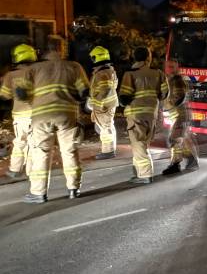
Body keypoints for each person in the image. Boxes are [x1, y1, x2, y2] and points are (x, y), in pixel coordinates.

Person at [18, 39, 89, 203]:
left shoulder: (33, 69)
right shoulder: (74, 66)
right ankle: (74, 189)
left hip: (41, 116)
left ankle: (39, 193)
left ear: (44, 51)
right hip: (67, 114)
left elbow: (21, 94)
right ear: (61, 49)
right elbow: (84, 92)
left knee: (41, 153)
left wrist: (33, 101)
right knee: (69, 151)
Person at [118, 46, 168, 184]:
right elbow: (164, 94)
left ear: (135, 58)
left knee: (138, 144)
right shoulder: (158, 73)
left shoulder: (130, 74)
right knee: (142, 144)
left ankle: (145, 175)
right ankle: (138, 173)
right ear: (148, 58)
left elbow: (124, 98)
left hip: (136, 114)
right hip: (152, 114)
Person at [0, 44, 37, 179]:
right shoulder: (38, 72)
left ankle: (15, 169)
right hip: (39, 113)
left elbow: (4, 96)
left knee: (20, 142)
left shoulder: (11, 75)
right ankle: (32, 171)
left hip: (21, 116)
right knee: (34, 143)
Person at [161, 60, 198, 175]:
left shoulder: (177, 81)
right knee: (183, 139)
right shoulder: (170, 80)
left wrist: (167, 105)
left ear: (177, 68)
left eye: (173, 67)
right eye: (168, 67)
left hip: (180, 116)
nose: (170, 69)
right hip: (177, 115)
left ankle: (175, 164)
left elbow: (179, 97)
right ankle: (191, 160)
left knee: (174, 139)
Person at [88, 46, 119, 160]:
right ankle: (110, 149)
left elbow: (105, 90)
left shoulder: (102, 73)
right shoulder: (109, 70)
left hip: (104, 106)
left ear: (96, 58)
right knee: (107, 126)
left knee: (106, 128)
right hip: (108, 104)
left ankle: (108, 151)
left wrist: (96, 104)